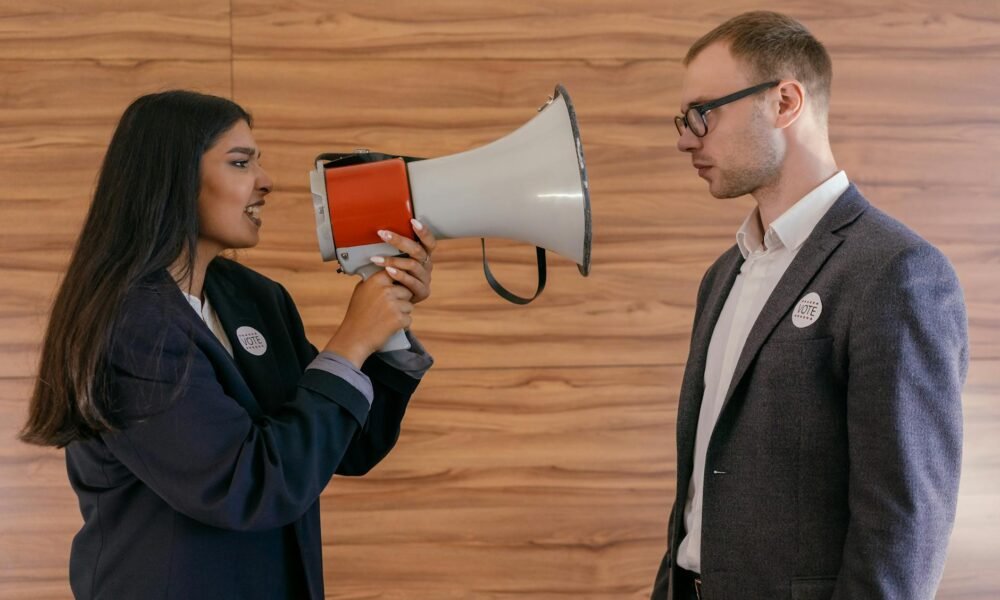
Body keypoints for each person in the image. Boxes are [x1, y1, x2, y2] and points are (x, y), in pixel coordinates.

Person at [19, 90, 438, 599]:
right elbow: (247, 485)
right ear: (172, 179)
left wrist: (385, 330)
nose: (266, 181)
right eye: (240, 162)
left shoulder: (256, 298)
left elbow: (346, 446)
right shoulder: (128, 325)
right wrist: (349, 344)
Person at [651, 11, 968, 600]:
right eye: (683, 119)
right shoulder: (724, 274)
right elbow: (699, 492)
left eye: (703, 114)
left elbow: (904, 528)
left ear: (785, 102)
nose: (685, 138)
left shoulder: (897, 272)